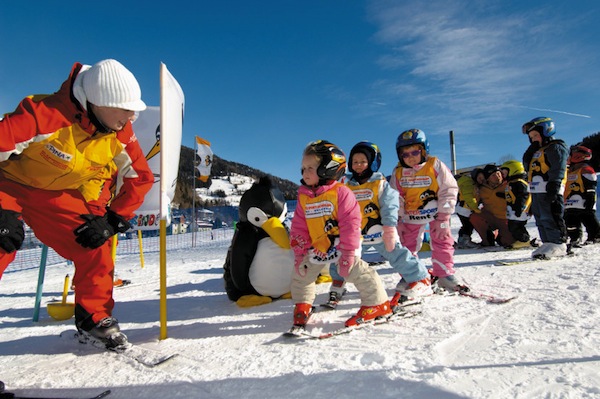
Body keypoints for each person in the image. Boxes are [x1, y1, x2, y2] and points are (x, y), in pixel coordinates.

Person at [0, 59, 154, 347]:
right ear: (99, 103)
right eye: (125, 108)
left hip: (57, 195)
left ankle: (93, 318)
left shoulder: (119, 132)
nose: (132, 116)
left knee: (95, 242)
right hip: (8, 183)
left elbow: (140, 176)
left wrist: (112, 219)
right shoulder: (44, 115)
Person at [289, 140, 391, 328]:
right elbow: (299, 226)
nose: (304, 173)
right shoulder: (304, 195)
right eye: (303, 168)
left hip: (343, 244)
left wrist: (348, 253)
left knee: (357, 271)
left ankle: (377, 303)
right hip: (318, 246)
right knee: (302, 274)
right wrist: (299, 250)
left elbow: (351, 223)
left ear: (329, 168)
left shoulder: (341, 193)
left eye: (310, 167)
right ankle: (303, 304)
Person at [326, 141, 432, 311]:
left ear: (372, 163)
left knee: (397, 254)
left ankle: (420, 278)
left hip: (380, 231)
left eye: (363, 161)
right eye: (355, 162)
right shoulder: (345, 185)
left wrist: (390, 228)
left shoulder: (380, 184)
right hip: (355, 234)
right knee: (340, 256)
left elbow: (390, 206)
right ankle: (338, 281)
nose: (359, 165)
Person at [389, 129, 468, 292]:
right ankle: (411, 275)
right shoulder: (398, 172)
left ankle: (444, 274)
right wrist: (398, 219)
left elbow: (448, 188)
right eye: (405, 154)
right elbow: (395, 197)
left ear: (424, 150)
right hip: (411, 216)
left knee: (442, 241)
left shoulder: (435, 165)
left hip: (436, 214)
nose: (410, 157)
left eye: (415, 152)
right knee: (407, 247)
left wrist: (444, 215)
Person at [522, 116, 568, 259]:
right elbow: (527, 167)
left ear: (546, 131)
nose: (534, 139)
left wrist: (554, 183)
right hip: (536, 190)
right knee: (541, 218)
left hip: (550, 188)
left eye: (536, 135)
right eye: (531, 137)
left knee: (551, 216)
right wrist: (530, 150)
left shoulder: (555, 147)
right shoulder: (537, 151)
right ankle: (548, 242)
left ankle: (558, 243)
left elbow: (558, 166)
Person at [470, 164, 516, 248]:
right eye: (493, 175)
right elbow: (474, 201)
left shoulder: (508, 185)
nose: (497, 177)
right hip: (490, 216)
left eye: (498, 174)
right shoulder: (482, 189)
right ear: (488, 178)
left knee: (508, 242)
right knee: (475, 217)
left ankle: (501, 237)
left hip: (505, 219)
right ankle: (487, 240)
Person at [564, 144, 600, 247]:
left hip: (583, 201)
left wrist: (589, 199)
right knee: (570, 222)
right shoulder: (569, 170)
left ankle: (596, 236)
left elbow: (590, 185)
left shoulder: (586, 169)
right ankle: (575, 238)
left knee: (589, 220)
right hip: (570, 202)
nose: (568, 157)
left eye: (570, 154)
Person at [500, 160, 534, 249]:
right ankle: (522, 239)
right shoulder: (512, 182)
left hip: (520, 210)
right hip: (514, 209)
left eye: (504, 172)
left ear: (513, 170)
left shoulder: (519, 182)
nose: (503, 174)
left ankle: (524, 240)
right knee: (514, 226)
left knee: (515, 226)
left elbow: (523, 195)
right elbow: (512, 195)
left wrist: (519, 208)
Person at [454, 171, 482, 248]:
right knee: (468, 225)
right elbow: (469, 198)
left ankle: (462, 240)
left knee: (466, 225)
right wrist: (475, 208)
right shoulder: (468, 183)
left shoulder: (467, 183)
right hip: (465, 209)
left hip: (462, 208)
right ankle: (464, 241)